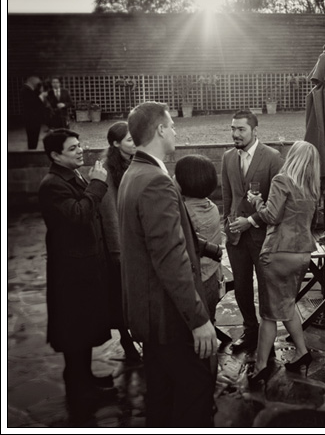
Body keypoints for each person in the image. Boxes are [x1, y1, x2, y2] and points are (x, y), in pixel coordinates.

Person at [117, 101, 217, 427]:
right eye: (172, 125)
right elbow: (170, 258)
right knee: (195, 394)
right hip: (169, 317)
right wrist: (199, 318)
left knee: (161, 395)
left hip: (150, 313)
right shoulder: (156, 181)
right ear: (160, 129)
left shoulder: (135, 173)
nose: (175, 130)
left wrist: (210, 249)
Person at [38, 128, 116, 419]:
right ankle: (78, 389)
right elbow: (80, 214)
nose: (80, 150)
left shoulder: (73, 174)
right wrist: (97, 185)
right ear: (56, 155)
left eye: (79, 145)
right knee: (73, 331)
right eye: (73, 148)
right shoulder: (52, 184)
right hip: (70, 274)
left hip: (85, 267)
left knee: (83, 329)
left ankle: (86, 379)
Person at [244, 141, 320, 386]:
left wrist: (256, 202)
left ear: (293, 156)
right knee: (286, 304)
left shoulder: (282, 179)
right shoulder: (312, 188)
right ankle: (302, 352)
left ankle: (261, 366)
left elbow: (271, 216)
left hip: (277, 252)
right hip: (302, 254)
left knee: (268, 314)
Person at [221, 111, 283, 353]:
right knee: (242, 286)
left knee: (267, 287)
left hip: (263, 235)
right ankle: (250, 329)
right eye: (233, 129)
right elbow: (227, 194)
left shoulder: (272, 157)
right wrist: (228, 222)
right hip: (236, 236)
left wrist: (252, 220)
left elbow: (278, 201)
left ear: (255, 130)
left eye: (241, 129)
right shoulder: (227, 157)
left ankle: (268, 334)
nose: (235, 134)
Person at [98, 121, 141, 363]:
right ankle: (127, 339)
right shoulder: (108, 169)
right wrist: (117, 251)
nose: (134, 143)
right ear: (115, 143)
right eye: (128, 140)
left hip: (137, 237)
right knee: (120, 296)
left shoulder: (136, 161)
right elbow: (110, 213)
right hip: (121, 245)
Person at [174, 155, 224, 325]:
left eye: (176, 176)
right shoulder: (211, 206)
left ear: (186, 182)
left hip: (196, 283)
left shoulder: (185, 213)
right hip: (211, 276)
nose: (173, 178)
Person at [21, 75, 50, 150]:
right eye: (37, 83)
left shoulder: (30, 89)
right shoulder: (25, 90)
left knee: (33, 136)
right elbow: (32, 103)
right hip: (31, 118)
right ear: (32, 81)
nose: (38, 84)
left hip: (33, 118)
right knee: (32, 136)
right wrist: (41, 96)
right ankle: (32, 151)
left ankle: (32, 150)